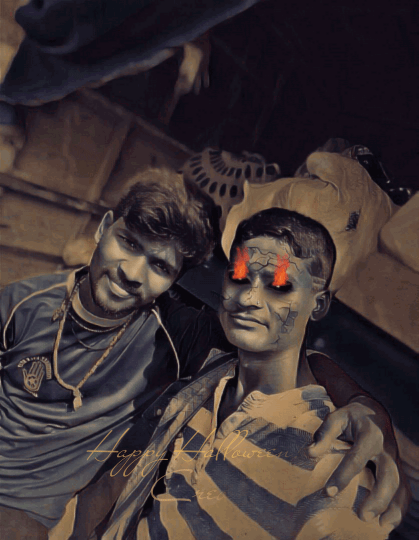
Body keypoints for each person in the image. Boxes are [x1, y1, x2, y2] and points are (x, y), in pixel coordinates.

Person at [0, 171, 406, 539]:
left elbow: (295, 356)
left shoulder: (176, 335)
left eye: (278, 285)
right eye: (239, 277)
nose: (132, 273)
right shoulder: (22, 304)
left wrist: (368, 408)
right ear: (104, 228)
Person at [101, 208, 405, 540]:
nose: (249, 298)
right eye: (239, 277)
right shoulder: (208, 374)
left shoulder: (330, 461)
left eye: (280, 286)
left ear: (318, 305)